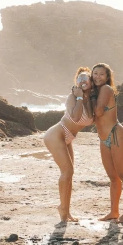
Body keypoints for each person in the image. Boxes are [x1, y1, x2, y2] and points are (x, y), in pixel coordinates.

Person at [43, 67, 94, 222]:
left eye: (86, 78)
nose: (83, 81)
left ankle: (65, 209)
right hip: (56, 134)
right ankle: (63, 212)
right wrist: (78, 97)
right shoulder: (72, 97)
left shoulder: (91, 99)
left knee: (70, 175)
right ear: (76, 82)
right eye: (79, 79)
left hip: (69, 137)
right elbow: (77, 117)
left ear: (91, 82)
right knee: (67, 172)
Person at [91, 63, 123, 223]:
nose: (97, 77)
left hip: (116, 135)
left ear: (107, 77)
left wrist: (86, 96)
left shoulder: (106, 89)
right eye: (95, 73)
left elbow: (98, 111)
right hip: (104, 139)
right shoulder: (95, 91)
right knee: (113, 177)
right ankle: (114, 212)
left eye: (101, 74)